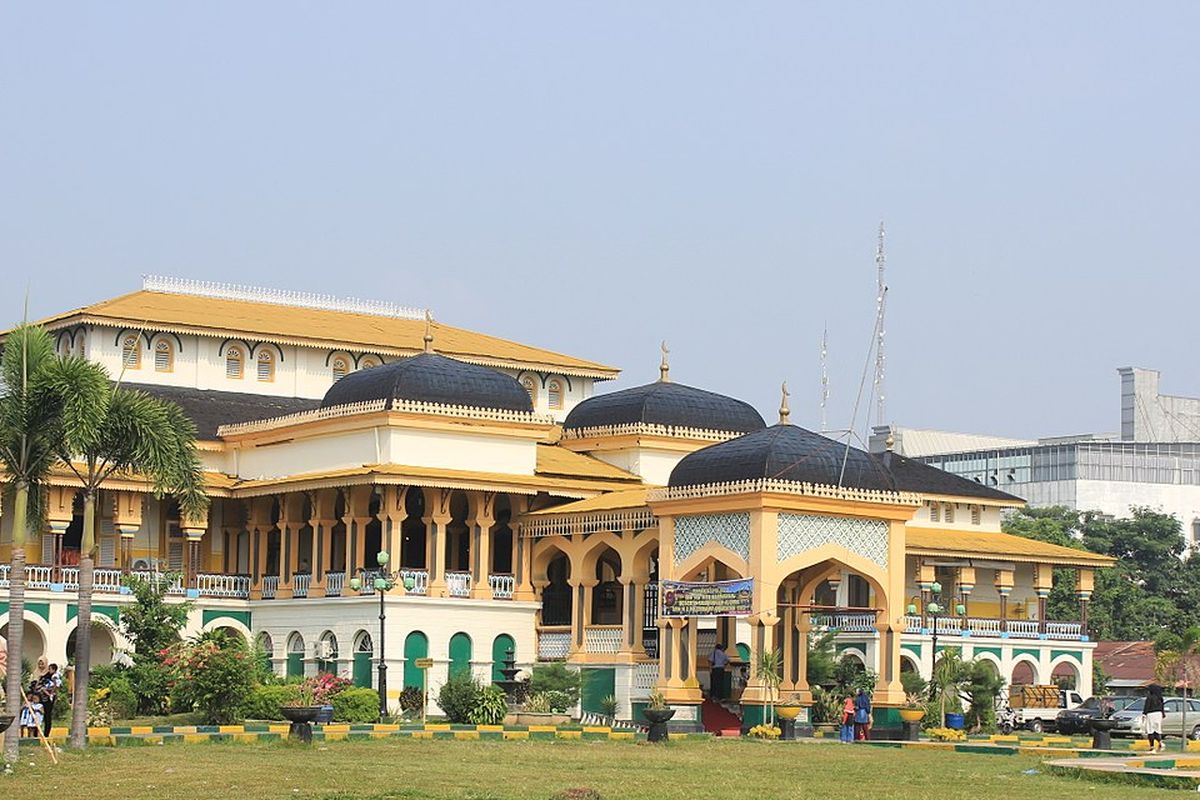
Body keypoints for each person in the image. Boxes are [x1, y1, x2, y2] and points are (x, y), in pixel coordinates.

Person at [36, 663, 62, 737]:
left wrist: (49, 692)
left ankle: (46, 733)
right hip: (40, 697)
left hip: (48, 699)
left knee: (47, 715)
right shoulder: (43, 676)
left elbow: (56, 686)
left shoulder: (54, 677)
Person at [1144, 683, 1165, 753]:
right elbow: (1162, 707)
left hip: (1151, 714)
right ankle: (1160, 742)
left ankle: (1152, 748)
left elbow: (1147, 706)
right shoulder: (1160, 698)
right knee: (1157, 730)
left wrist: (1144, 714)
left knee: (1150, 731)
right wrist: (1163, 714)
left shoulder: (1150, 697)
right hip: (1159, 714)